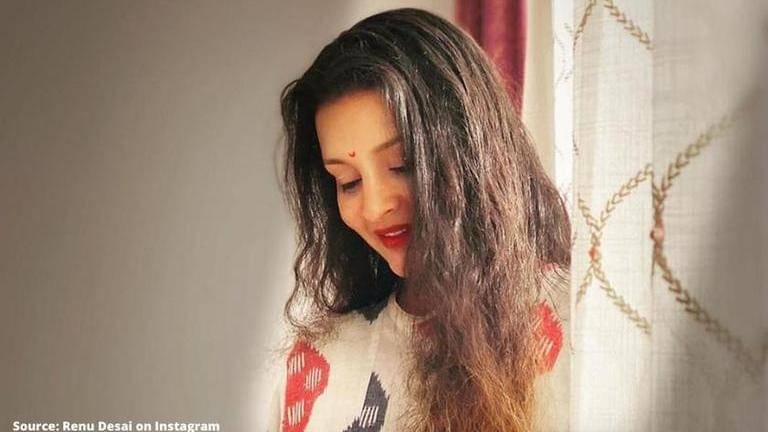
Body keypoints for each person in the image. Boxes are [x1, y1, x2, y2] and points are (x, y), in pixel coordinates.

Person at [268, 8, 571, 432]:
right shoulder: (317, 363)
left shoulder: (582, 321)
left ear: (474, 151)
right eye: (349, 181)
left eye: (404, 165)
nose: (376, 207)